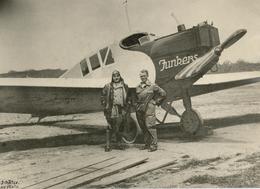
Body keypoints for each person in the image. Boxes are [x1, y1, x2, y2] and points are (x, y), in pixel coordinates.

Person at [136, 69, 166, 152]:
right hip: (140, 108)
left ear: (147, 76)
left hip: (149, 108)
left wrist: (156, 101)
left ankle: (154, 145)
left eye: (144, 76)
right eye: (141, 76)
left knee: (150, 126)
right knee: (143, 127)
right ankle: (147, 144)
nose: (142, 78)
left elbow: (163, 94)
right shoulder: (138, 87)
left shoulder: (153, 86)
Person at [101, 70, 131, 152]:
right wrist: (105, 106)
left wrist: (126, 107)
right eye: (114, 76)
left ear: (120, 76)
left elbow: (128, 98)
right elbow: (103, 97)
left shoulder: (125, 86)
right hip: (111, 108)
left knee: (120, 126)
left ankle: (119, 144)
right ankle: (108, 145)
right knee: (110, 126)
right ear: (112, 77)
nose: (116, 78)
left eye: (117, 76)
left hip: (121, 108)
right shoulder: (108, 86)